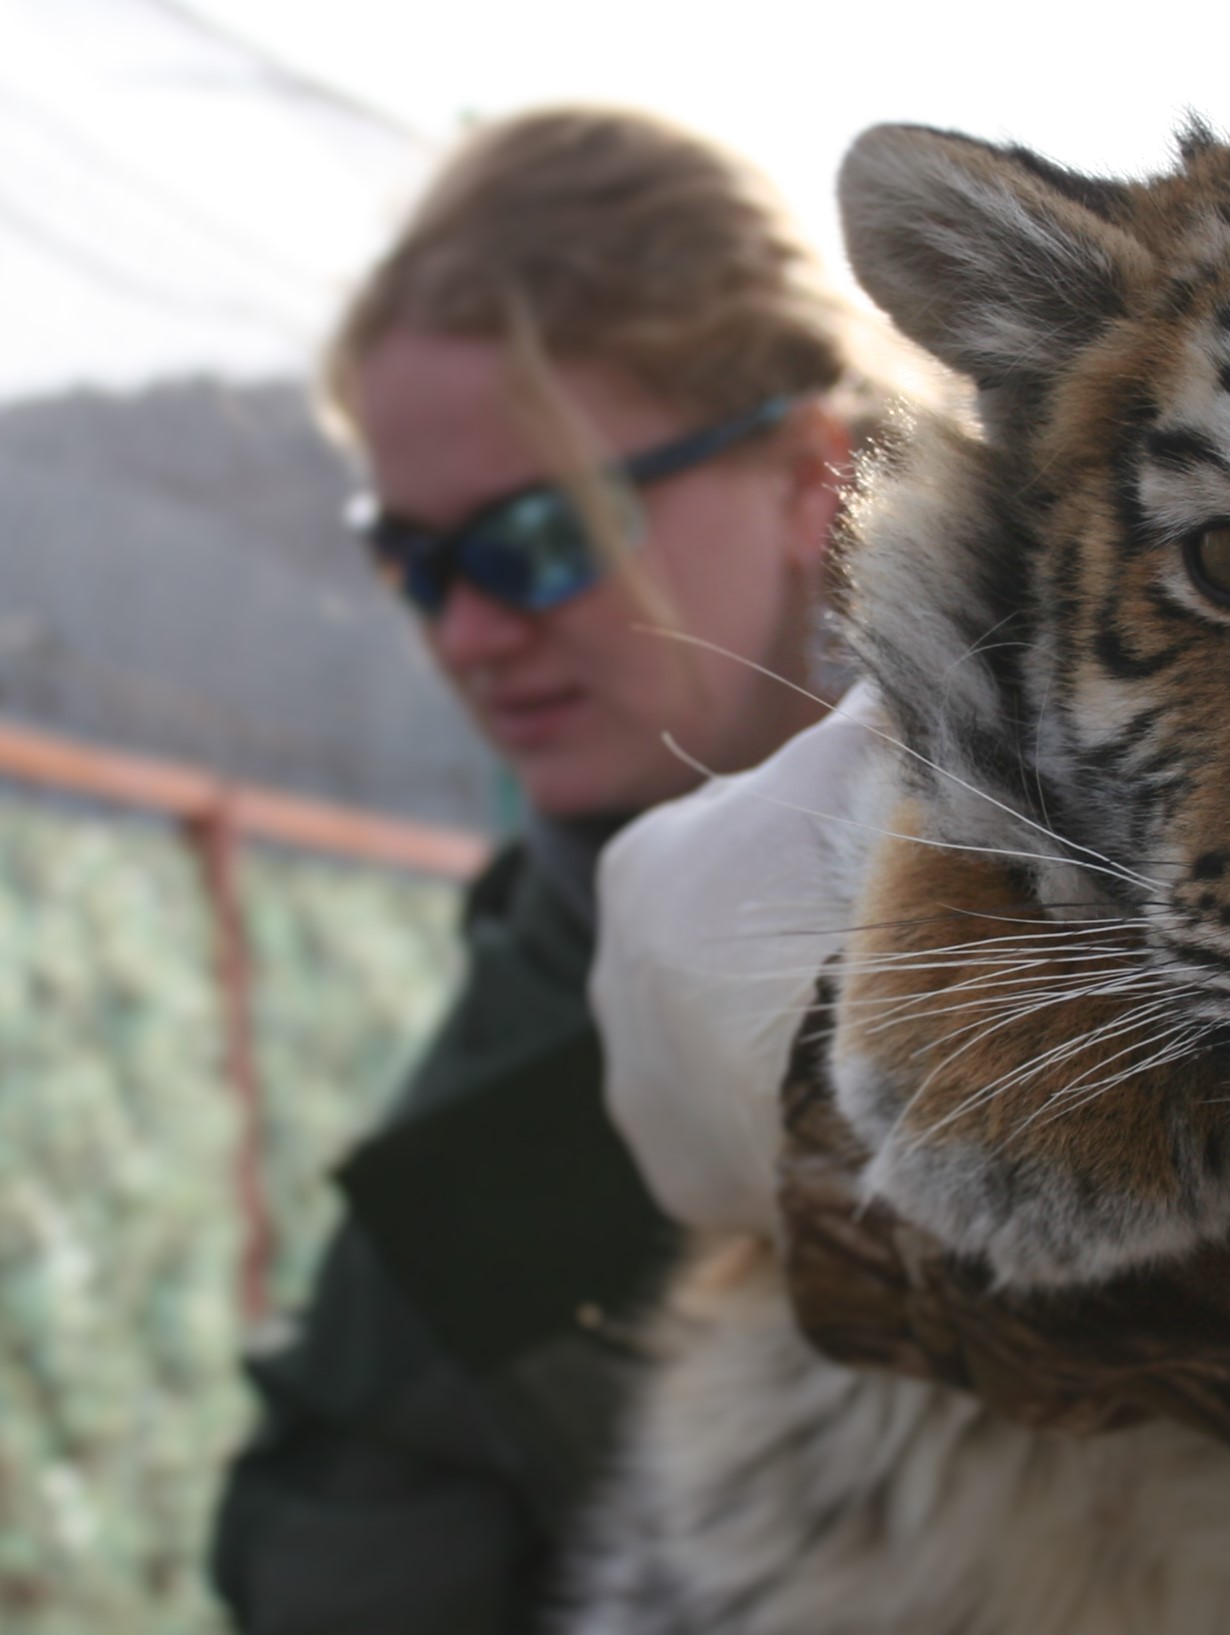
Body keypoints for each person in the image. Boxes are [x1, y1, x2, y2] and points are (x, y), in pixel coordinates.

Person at [210, 105, 877, 1635]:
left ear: (804, 474)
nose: (465, 635)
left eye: (536, 536)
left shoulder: (1126, 845)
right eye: (418, 561)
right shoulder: (491, 1134)